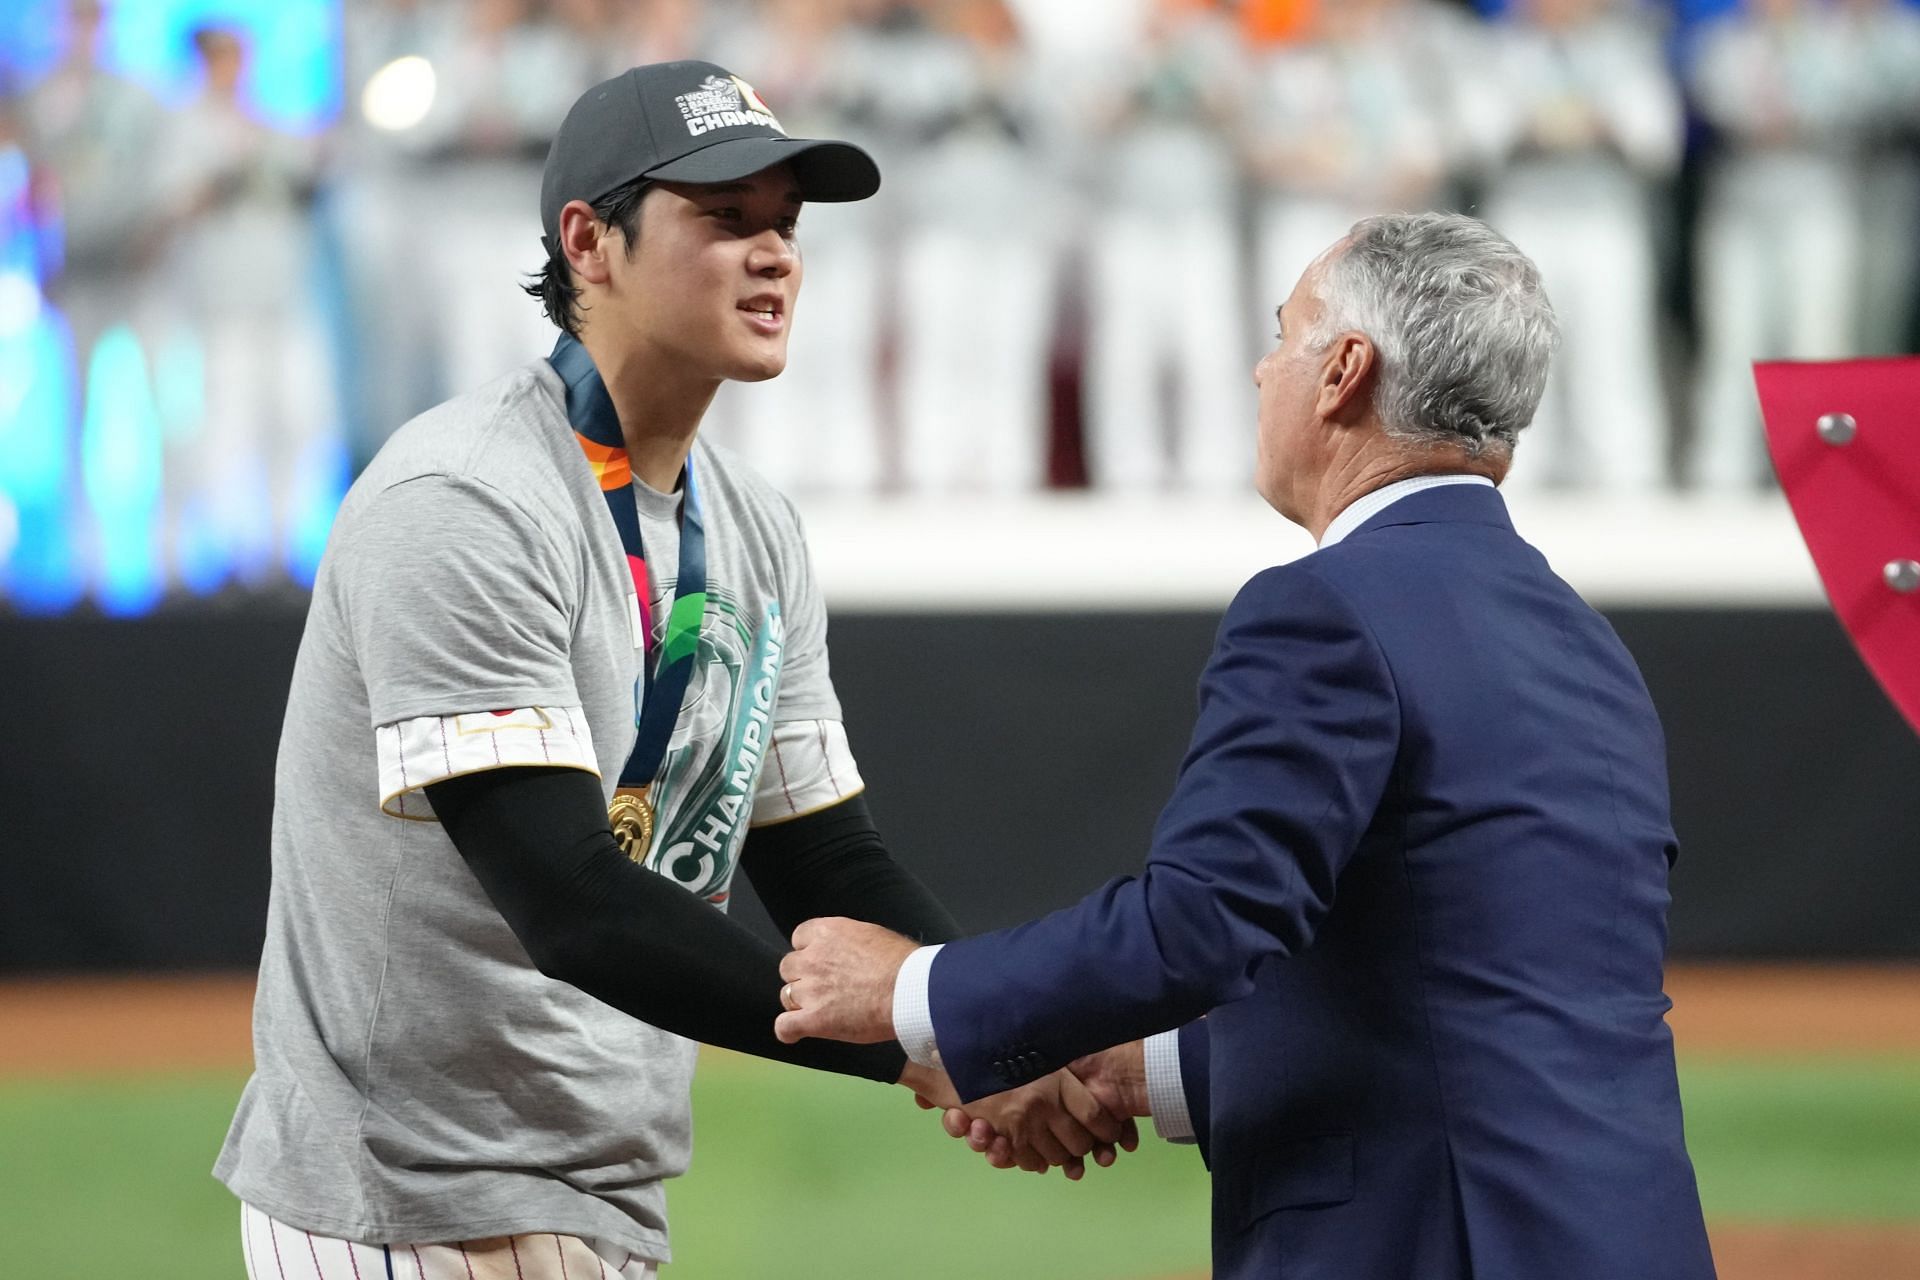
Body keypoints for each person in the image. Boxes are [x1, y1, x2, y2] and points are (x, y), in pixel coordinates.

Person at [213, 60, 1126, 1280]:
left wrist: (991, 1021)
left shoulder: (753, 527)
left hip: (600, 1195)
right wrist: (921, 1040)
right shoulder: (464, 501)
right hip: (405, 1196)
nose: (776, 255)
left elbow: (823, 859)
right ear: (589, 242)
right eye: (725, 219)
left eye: (786, 226)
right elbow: (574, 902)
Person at [772, 213, 1720, 1280]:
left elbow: (1202, 920)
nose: (1265, 368)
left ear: (1344, 373)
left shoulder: (1325, 608)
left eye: (1285, 335)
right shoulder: (1584, 638)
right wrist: (1146, 1068)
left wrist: (916, 991)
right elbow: (1489, 996)